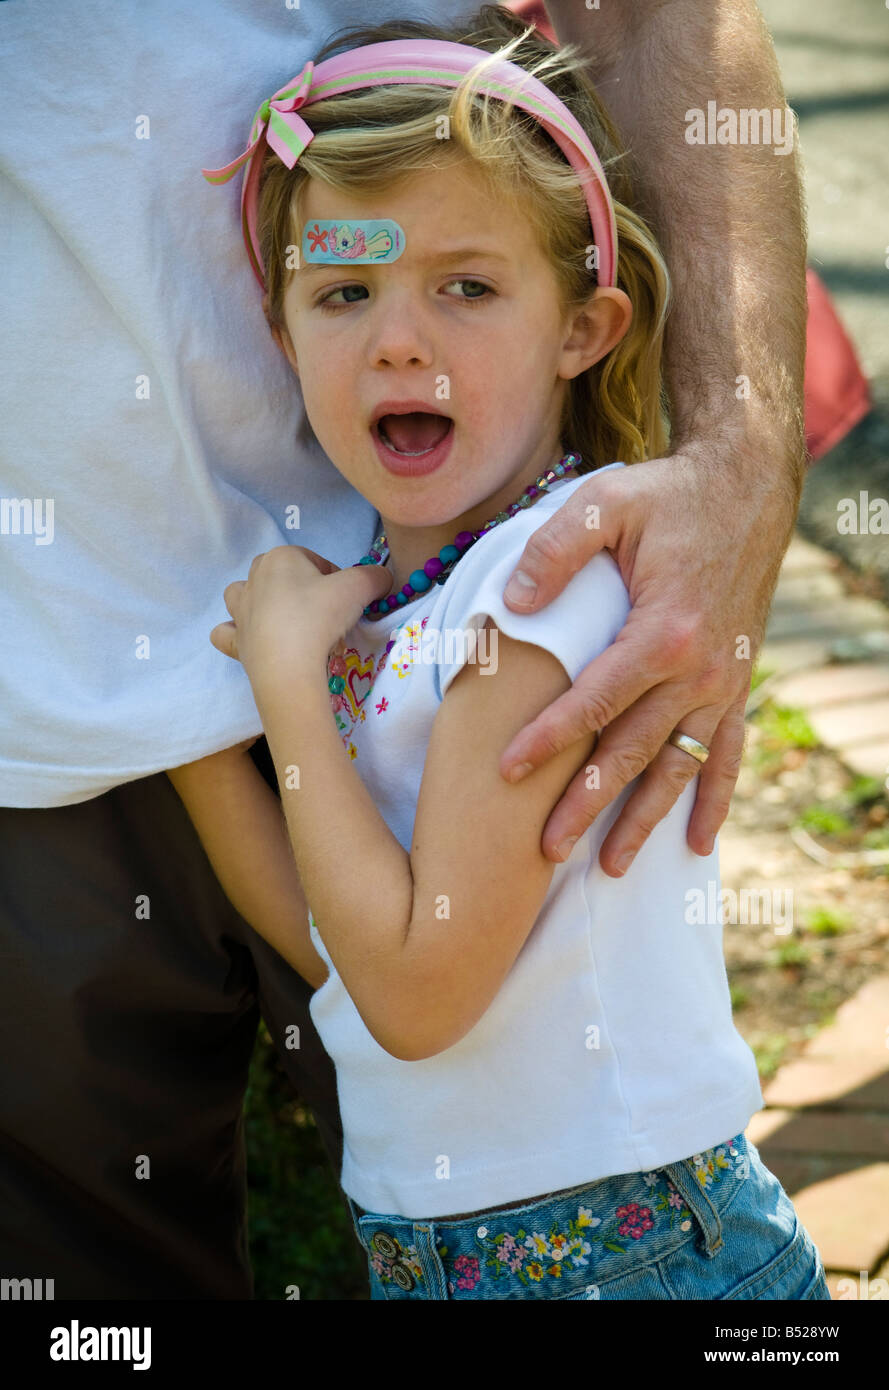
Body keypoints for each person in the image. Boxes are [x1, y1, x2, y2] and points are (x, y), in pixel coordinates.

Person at [0, 0, 808, 1299]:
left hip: (636, 1267)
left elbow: (413, 994)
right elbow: (338, 950)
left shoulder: (533, 604)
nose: (395, 337)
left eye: (467, 287)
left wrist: (277, 690)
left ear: (583, 328)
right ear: (281, 333)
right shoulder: (412, 609)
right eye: (343, 289)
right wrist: (199, 721)